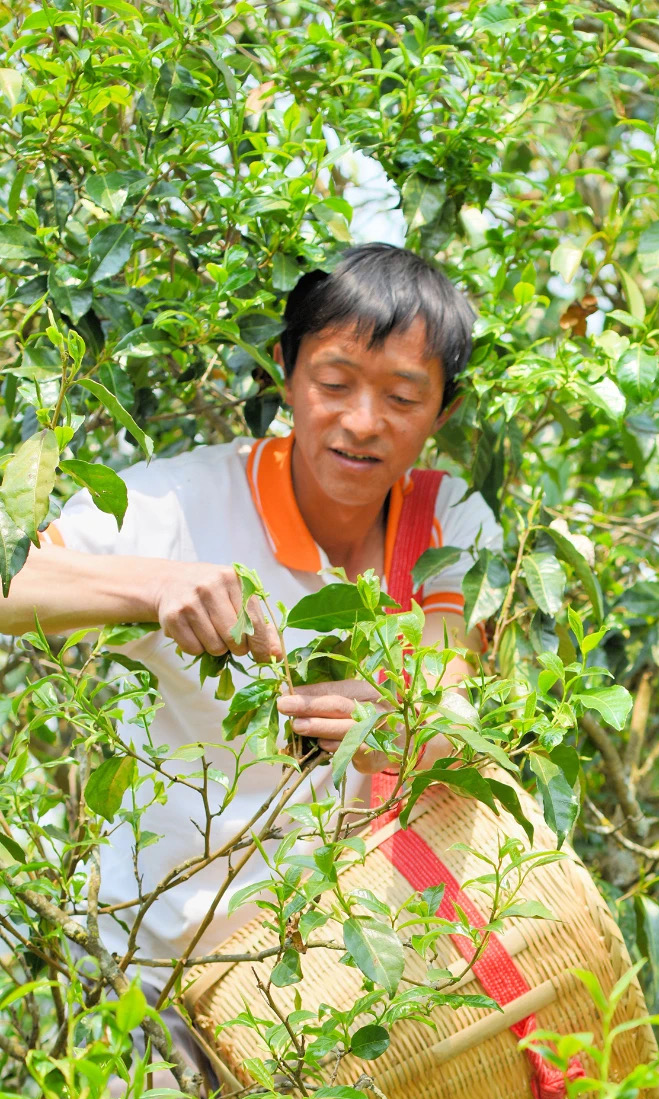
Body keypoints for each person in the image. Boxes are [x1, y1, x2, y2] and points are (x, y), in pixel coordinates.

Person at [2, 244, 501, 995]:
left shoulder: (452, 521)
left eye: (401, 399)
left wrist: (407, 720)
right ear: (284, 373)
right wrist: (155, 585)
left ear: (445, 411)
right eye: (335, 382)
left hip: (349, 999)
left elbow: (452, 687)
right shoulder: (175, 507)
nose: (362, 422)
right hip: (161, 979)